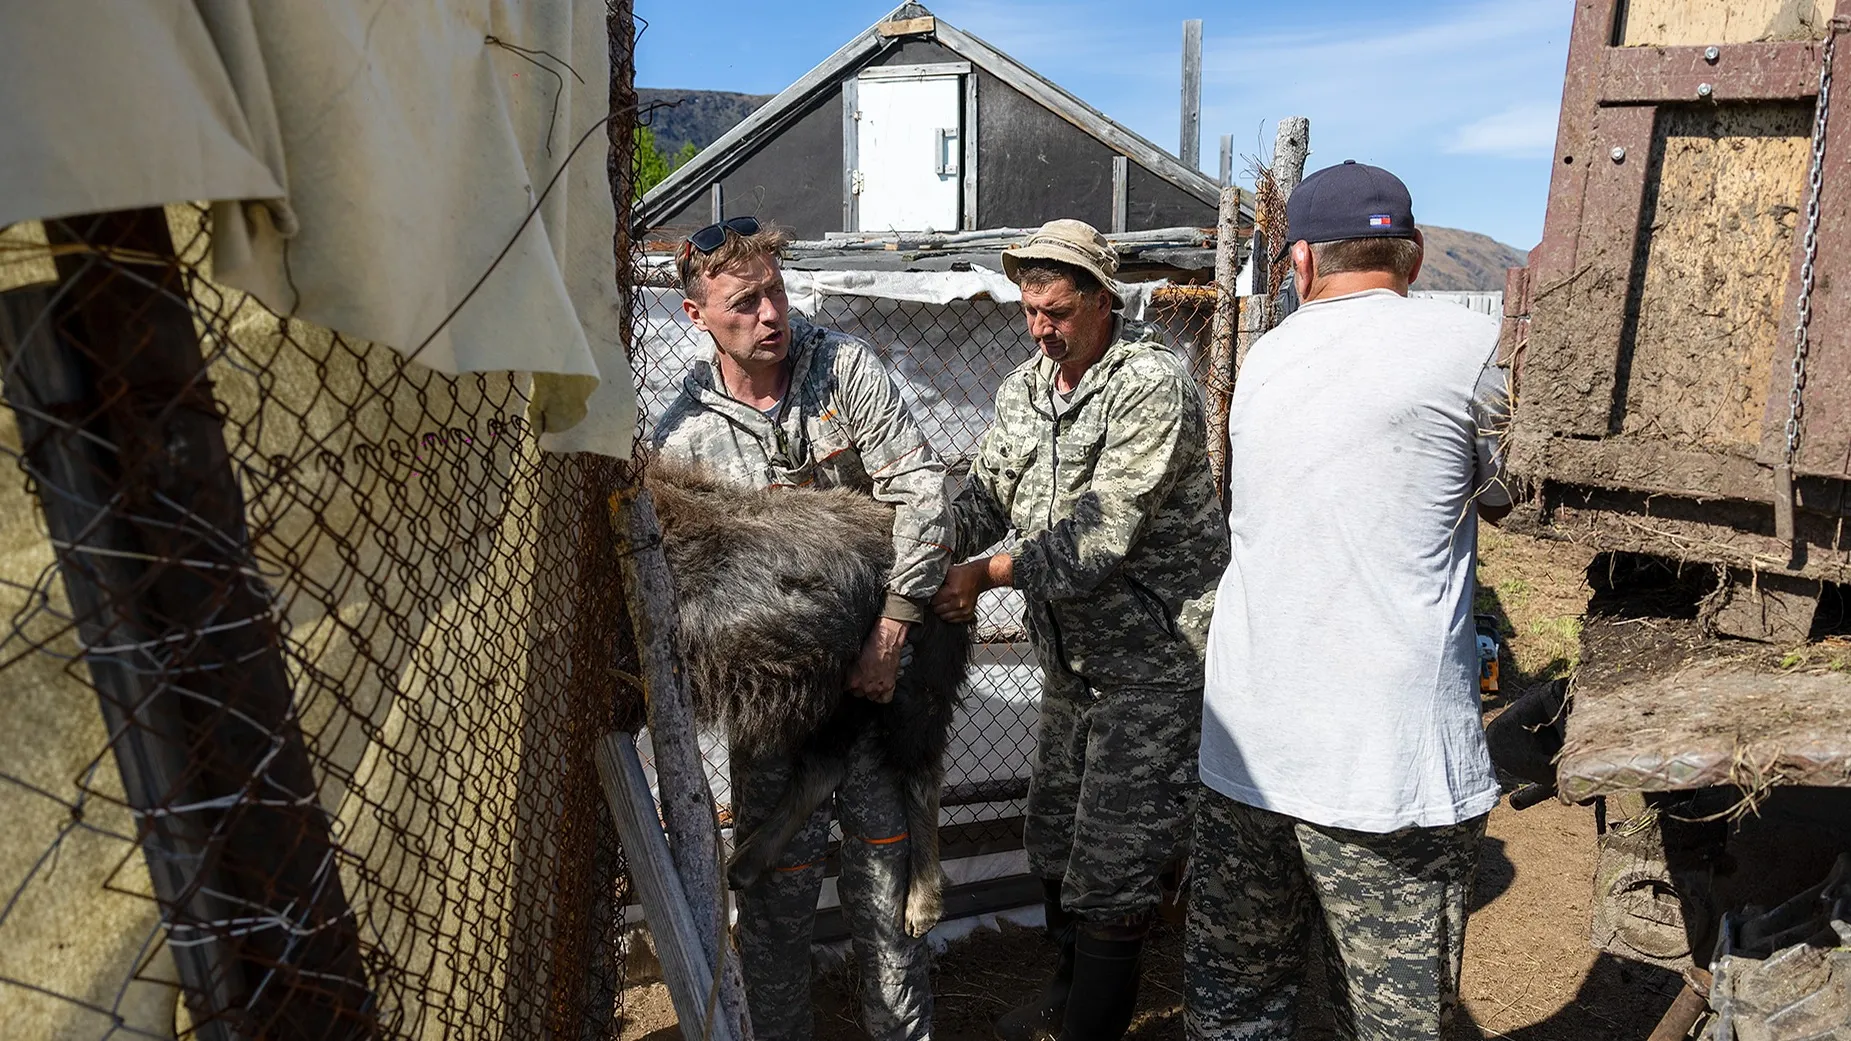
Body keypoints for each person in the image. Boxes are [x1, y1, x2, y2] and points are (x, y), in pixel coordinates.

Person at [1186, 161, 1513, 1041]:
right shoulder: (1471, 349)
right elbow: (1505, 493)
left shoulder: (1261, 359)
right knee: (1390, 1022)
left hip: (1245, 747)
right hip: (1388, 762)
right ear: (1410, 256)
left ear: (1299, 265)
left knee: (1235, 1003)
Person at [652, 216, 952, 1041]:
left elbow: (925, 494)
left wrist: (890, 631)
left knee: (886, 896)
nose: (770, 315)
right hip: (777, 704)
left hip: (877, 685)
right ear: (697, 315)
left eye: (775, 292)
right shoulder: (683, 431)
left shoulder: (841, 367)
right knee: (775, 900)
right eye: (744, 302)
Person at [930, 219, 1227, 1041]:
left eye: (1055, 311)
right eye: (1028, 310)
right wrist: (923, 539)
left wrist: (983, 576)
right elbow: (987, 493)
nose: (1038, 328)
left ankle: (1090, 1027)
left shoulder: (1151, 384)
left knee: (1114, 865)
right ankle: (1068, 999)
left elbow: (1099, 535)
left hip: (1153, 661)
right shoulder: (1026, 387)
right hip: (1072, 656)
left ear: (1103, 300)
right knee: (1054, 838)